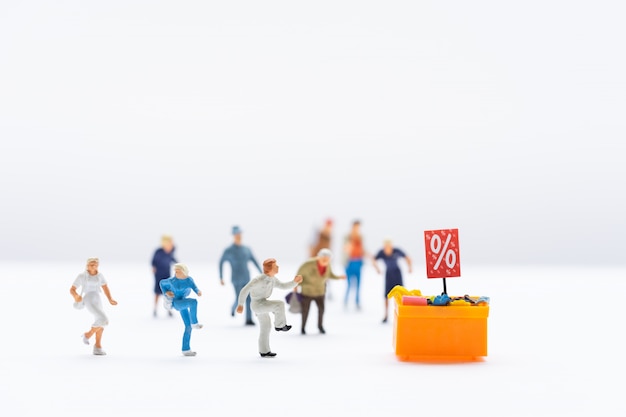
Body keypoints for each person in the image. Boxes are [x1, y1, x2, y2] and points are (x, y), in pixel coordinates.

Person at [236, 258, 302, 358]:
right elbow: (245, 290)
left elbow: (283, 286)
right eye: (276, 266)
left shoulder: (273, 279)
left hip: (263, 303)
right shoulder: (258, 280)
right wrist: (240, 304)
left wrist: (294, 282)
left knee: (265, 328)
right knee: (279, 305)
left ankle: (264, 351)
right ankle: (280, 325)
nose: (278, 267)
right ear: (270, 268)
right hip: (257, 305)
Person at [69, 257, 118, 356]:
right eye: (92, 264)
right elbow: (72, 289)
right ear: (87, 265)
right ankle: (88, 335)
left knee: (101, 322)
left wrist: (110, 299)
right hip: (88, 298)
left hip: (97, 298)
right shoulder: (82, 276)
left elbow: (105, 288)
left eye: (96, 265)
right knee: (103, 319)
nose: (94, 266)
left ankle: (98, 346)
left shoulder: (100, 276)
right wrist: (76, 296)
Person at [295, 248, 346, 335]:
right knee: (305, 310)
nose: (325, 261)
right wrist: (295, 285)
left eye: (328, 259)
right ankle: (303, 327)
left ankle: (320, 326)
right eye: (324, 259)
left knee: (321, 310)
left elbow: (330, 274)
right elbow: (299, 275)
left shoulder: (328, 265)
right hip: (308, 292)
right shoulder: (308, 264)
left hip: (320, 292)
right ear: (319, 257)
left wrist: (339, 277)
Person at [219, 225, 262, 326]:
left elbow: (254, 260)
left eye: (239, 234)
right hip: (236, 278)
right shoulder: (228, 250)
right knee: (239, 298)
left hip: (246, 277)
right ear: (233, 235)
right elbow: (221, 263)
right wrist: (221, 277)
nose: (238, 236)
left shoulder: (247, 249)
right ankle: (233, 308)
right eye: (236, 234)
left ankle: (248, 319)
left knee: (248, 298)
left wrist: (261, 272)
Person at [160, 263, 203, 357]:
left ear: (184, 271)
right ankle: (195, 323)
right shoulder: (172, 281)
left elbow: (194, 287)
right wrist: (166, 293)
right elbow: (162, 283)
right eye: (175, 271)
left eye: (178, 271)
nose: (176, 273)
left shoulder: (189, 280)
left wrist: (198, 291)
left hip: (183, 300)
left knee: (188, 326)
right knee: (193, 302)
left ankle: (186, 349)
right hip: (176, 303)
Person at [372, 239, 413, 323]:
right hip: (388, 275)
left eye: (389, 246)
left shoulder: (396, 251)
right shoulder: (382, 253)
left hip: (397, 274)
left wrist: (410, 267)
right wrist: (377, 269)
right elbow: (373, 259)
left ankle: (403, 312)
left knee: (401, 294)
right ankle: (386, 315)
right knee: (386, 295)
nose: (387, 248)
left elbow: (407, 257)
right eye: (386, 246)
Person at [342, 219, 371, 309]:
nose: (357, 229)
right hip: (349, 262)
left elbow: (363, 249)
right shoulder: (347, 237)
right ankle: (346, 301)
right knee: (349, 283)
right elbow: (345, 249)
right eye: (355, 227)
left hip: (358, 262)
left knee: (358, 284)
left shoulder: (360, 237)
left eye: (358, 227)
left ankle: (357, 302)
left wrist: (370, 256)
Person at [151, 234, 178, 317]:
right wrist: (153, 267)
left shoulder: (171, 252)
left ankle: (169, 310)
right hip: (159, 274)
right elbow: (153, 261)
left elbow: (173, 259)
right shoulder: (158, 251)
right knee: (157, 292)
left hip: (167, 274)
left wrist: (178, 265)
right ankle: (155, 309)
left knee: (168, 293)